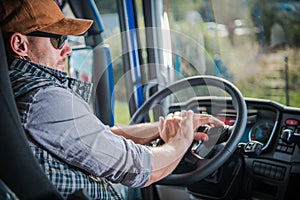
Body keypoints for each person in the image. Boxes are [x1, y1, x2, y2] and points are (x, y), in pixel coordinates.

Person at [0, 0, 225, 199]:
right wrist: (181, 140)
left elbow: (97, 135)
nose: (67, 49)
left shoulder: (12, 93)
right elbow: (140, 170)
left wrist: (160, 128)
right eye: (58, 39)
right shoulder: (43, 97)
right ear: (20, 45)